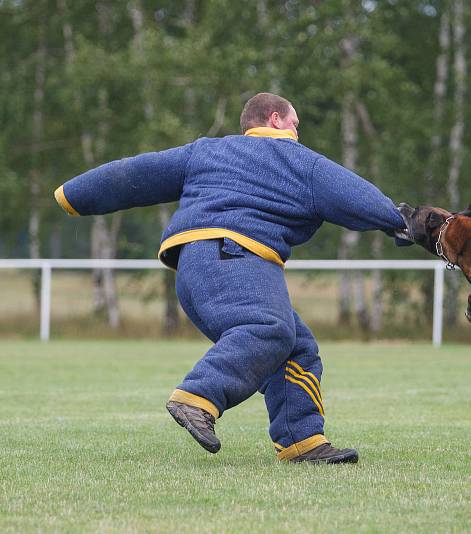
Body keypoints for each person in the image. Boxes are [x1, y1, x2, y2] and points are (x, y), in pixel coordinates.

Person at [54, 92, 410, 464]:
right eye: (295, 124)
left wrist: (73, 195)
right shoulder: (300, 161)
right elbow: (353, 194)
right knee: (269, 328)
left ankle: (301, 442)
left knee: (295, 346)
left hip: (193, 269)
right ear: (275, 119)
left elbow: (136, 174)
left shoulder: (206, 151)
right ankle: (197, 398)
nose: (298, 134)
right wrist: (405, 223)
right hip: (236, 256)